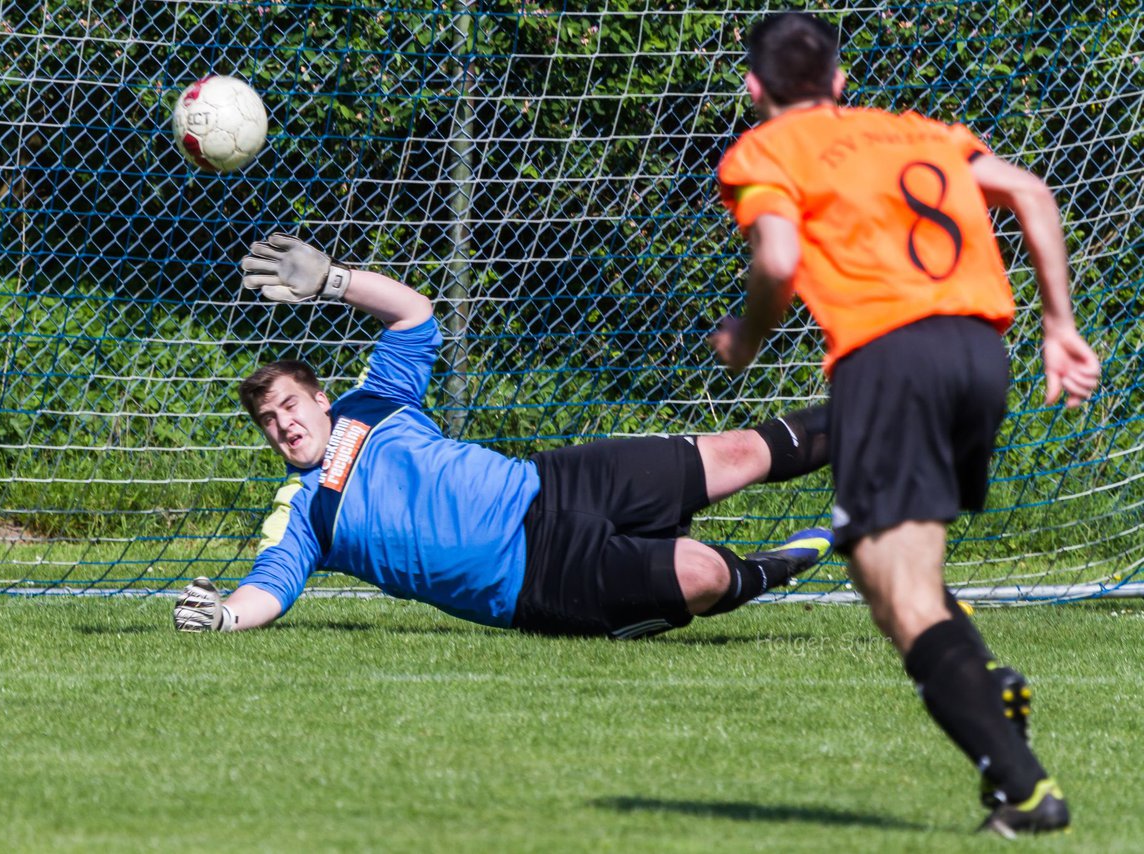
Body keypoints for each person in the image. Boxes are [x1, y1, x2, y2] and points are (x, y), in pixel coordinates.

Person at [708, 11, 1100, 837]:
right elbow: (1029, 189)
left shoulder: (766, 152)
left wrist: (743, 337)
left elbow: (778, 261)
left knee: (898, 592)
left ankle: (1024, 789)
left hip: (889, 361)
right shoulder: (921, 131)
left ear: (754, 87)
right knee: (897, 571)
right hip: (978, 352)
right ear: (841, 82)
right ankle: (988, 689)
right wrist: (1059, 326)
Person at [174, 232, 833, 643]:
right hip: (536, 579)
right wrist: (227, 617)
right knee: (704, 573)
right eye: (270, 421)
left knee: (741, 452)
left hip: (552, 484)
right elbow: (272, 584)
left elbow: (415, 318)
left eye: (291, 405)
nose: (285, 424)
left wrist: (332, 282)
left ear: (320, 398)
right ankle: (776, 564)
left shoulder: (371, 402)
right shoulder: (305, 510)